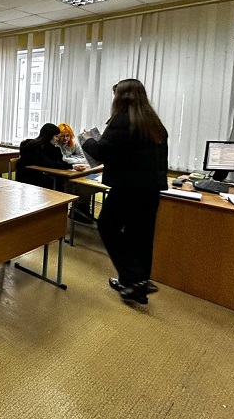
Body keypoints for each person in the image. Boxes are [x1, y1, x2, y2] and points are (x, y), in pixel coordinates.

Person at [82, 78, 168, 306]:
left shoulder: (122, 120)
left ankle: (134, 277)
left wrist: (88, 140)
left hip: (128, 187)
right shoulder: (154, 123)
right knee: (140, 237)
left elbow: (102, 152)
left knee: (107, 226)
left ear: (120, 97)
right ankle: (137, 287)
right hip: (151, 190)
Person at [16, 123, 72, 188]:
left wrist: (56, 149)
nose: (57, 139)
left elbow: (58, 161)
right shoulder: (34, 147)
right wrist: (70, 166)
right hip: (28, 179)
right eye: (56, 136)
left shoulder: (48, 147)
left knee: (63, 182)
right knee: (60, 185)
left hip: (38, 177)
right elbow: (49, 163)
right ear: (49, 136)